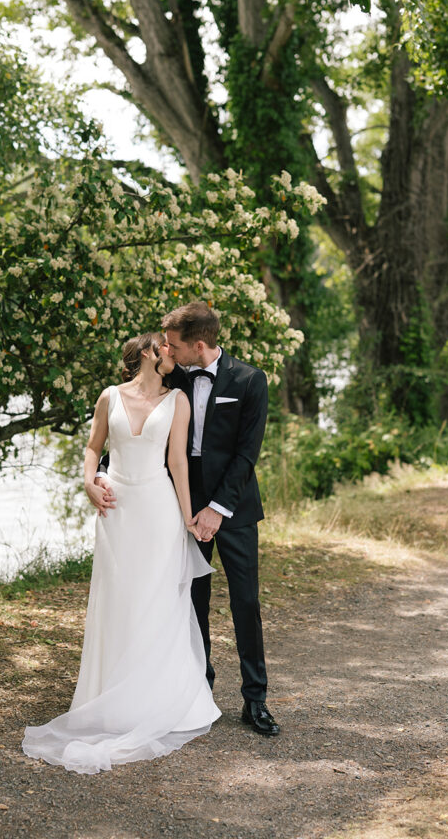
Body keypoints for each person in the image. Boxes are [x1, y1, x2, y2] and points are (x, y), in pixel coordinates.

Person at [22, 332, 220, 773]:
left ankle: (154, 698)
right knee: (116, 601)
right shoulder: (109, 397)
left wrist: (189, 518)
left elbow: (178, 462)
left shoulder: (178, 401)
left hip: (158, 509)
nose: (173, 351)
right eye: (166, 346)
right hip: (115, 510)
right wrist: (90, 483)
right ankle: (106, 698)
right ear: (150, 353)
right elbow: (93, 449)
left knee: (157, 600)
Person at [160, 301, 279, 737]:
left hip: (234, 509)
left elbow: (247, 454)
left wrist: (217, 510)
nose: (167, 351)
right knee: (192, 604)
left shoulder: (250, 380)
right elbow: (141, 420)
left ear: (199, 344)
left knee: (245, 602)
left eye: (173, 345)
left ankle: (255, 700)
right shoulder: (172, 378)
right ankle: (198, 693)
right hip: (185, 506)